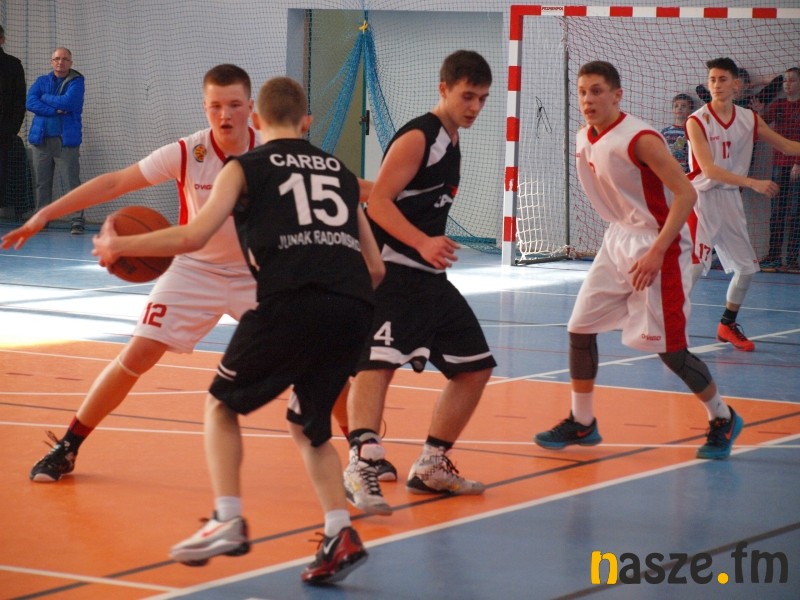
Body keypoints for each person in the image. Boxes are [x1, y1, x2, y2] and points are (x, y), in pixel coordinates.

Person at [92, 75, 385, 585]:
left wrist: (120, 246)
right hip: (354, 307)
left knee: (221, 407)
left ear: (257, 118)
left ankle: (227, 518)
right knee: (307, 426)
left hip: (291, 301)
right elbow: (375, 267)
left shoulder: (245, 166)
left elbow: (194, 235)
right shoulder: (341, 172)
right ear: (306, 121)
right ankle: (339, 532)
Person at [3, 64, 261, 483]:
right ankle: (68, 445)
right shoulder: (188, 151)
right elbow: (115, 183)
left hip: (256, 273)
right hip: (195, 269)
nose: (225, 114)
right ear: (204, 108)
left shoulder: (272, 152)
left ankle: (361, 448)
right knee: (136, 354)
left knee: (311, 353)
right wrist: (44, 214)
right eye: (215, 106)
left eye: (234, 105)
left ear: (250, 107)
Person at [533, 60, 742, 460]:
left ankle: (723, 416)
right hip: (618, 239)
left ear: (617, 95)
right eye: (582, 92)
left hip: (659, 243)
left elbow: (686, 194)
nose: (588, 99)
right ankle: (582, 421)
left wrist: (656, 251)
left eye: (597, 91)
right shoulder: (584, 136)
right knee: (580, 328)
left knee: (671, 350)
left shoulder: (641, 139)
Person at [342, 49, 496, 517]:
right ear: (443, 88)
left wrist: (428, 246)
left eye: (482, 99)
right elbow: (379, 205)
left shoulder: (451, 139)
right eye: (467, 96)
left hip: (427, 276)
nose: (474, 106)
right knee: (378, 363)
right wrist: (423, 242)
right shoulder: (418, 137)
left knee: (475, 366)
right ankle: (359, 465)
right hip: (391, 269)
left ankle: (431, 464)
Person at [686, 57, 800, 351]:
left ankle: (727, 324)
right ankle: (668, 329)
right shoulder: (697, 120)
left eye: (722, 79)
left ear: (736, 84)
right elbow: (708, 170)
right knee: (694, 268)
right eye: (712, 80)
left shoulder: (748, 119)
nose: (716, 85)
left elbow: (786, 145)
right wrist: (752, 182)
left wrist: (746, 183)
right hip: (701, 199)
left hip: (729, 199)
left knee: (747, 269)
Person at [26, 47, 86, 234]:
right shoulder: (42, 81)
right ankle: (41, 218)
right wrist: (54, 109)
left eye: (65, 59)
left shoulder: (77, 81)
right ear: (52, 62)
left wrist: (44, 98)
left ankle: (76, 220)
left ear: (71, 63)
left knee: (71, 182)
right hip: (41, 140)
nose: (61, 62)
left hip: (65, 141)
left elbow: (69, 103)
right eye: (57, 59)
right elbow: (30, 102)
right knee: (42, 183)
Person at [759, 67, 800, 273]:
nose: (787, 84)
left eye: (792, 80)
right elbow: (761, 125)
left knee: (795, 213)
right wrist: (758, 111)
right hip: (778, 165)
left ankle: (792, 260)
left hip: (797, 167)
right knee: (777, 212)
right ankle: (773, 257)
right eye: (785, 80)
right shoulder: (778, 105)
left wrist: (798, 162)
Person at [0, 25, 26, 209]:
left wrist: (10, 131)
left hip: (3, 132)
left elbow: (19, 101)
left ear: (2, 40)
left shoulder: (13, 65)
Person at [696, 67, 783, 114]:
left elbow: (779, 80)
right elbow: (699, 89)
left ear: (746, 86)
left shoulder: (754, 101)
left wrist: (754, 83)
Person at [660, 93, 693, 173]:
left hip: (687, 174)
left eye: (683, 106)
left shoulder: (693, 131)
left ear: (690, 110)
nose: (679, 108)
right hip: (668, 172)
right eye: (676, 106)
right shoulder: (665, 132)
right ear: (672, 110)